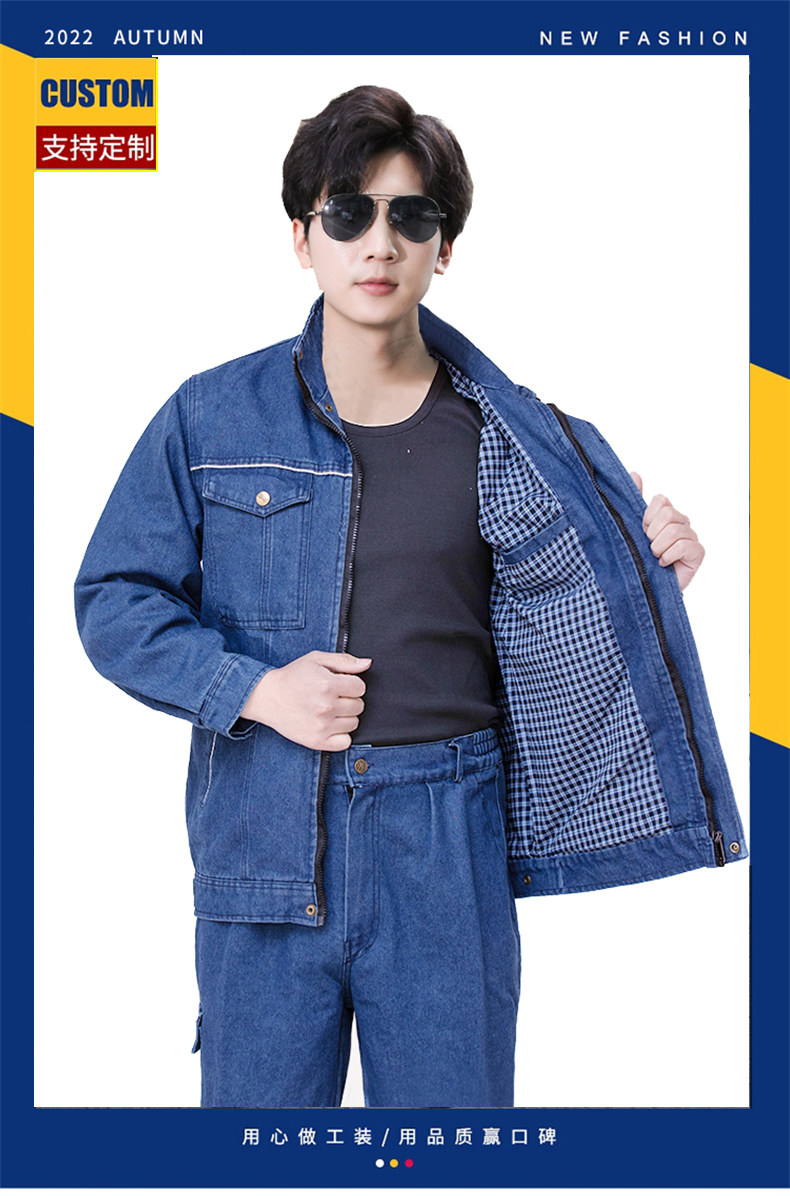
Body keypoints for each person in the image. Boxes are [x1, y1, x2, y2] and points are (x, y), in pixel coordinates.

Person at [74, 85, 747, 1109]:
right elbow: (114, 597)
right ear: (302, 238)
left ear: (445, 245)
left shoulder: (517, 434)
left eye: (411, 216)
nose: (378, 243)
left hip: (445, 842)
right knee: (251, 1164)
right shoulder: (210, 416)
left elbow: (583, 594)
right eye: (348, 212)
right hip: (265, 840)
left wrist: (651, 566)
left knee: (447, 1161)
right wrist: (257, 690)